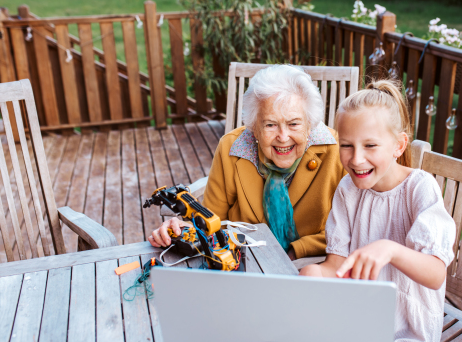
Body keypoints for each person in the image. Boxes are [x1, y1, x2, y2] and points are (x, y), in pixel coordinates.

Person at [300, 79, 456, 342]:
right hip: (359, 319)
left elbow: (435, 275)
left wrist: (391, 249)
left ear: (398, 145)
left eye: (370, 145)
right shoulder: (348, 190)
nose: (356, 159)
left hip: (406, 334)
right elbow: (335, 265)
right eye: (346, 145)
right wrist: (315, 274)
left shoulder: (419, 188)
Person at [148, 65, 345, 259]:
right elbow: (211, 220)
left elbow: (351, 230)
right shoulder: (231, 149)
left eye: (293, 124)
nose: (283, 137)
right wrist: (183, 229)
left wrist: (295, 252)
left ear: (310, 123)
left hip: (313, 264)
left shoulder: (339, 151)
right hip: (243, 260)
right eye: (270, 124)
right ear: (254, 127)